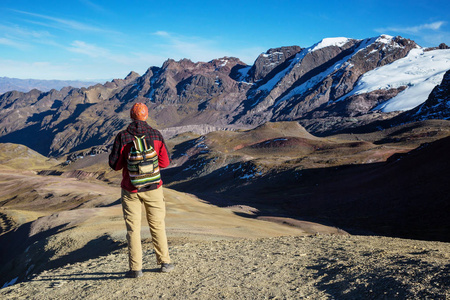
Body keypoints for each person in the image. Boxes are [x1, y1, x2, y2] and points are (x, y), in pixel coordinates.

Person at [109, 102, 174, 278]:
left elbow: (115, 165)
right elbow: (165, 163)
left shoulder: (122, 137)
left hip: (131, 190)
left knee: (133, 229)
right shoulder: (156, 135)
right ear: (146, 116)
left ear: (131, 116)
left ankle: (136, 269)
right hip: (154, 188)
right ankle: (165, 263)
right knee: (158, 225)